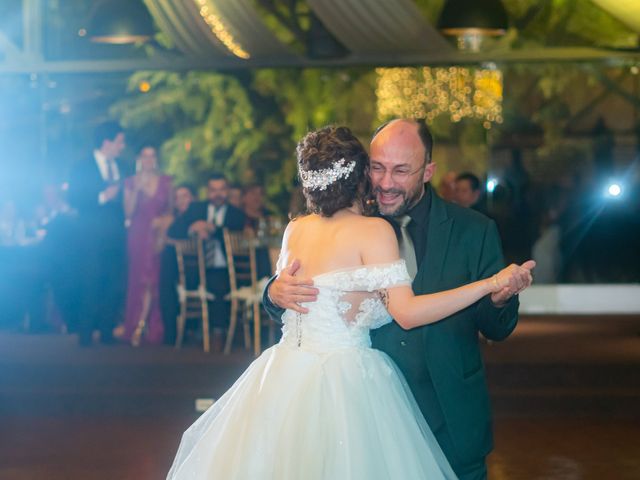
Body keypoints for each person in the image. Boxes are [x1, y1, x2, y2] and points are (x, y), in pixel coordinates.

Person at [167, 126, 534, 479]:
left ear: (427, 172)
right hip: (356, 397)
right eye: (377, 168)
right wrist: (488, 283)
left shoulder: (297, 228)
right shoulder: (373, 229)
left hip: (289, 387)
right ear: (361, 173)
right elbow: (403, 312)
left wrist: (497, 295)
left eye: (401, 170)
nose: (386, 182)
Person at [67, 121, 126, 346]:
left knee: (113, 284)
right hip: (90, 237)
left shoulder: (122, 166)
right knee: (90, 282)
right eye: (120, 141)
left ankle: (107, 331)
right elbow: (74, 198)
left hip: (116, 237)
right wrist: (102, 197)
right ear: (107, 142)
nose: (122, 146)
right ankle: (85, 334)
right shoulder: (82, 167)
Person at [177, 173, 245, 351]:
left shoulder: (236, 214)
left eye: (221, 190)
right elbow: (175, 229)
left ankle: (217, 332)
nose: (217, 194)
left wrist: (212, 229)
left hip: (225, 269)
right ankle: (192, 331)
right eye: (213, 190)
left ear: (227, 191)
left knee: (218, 284)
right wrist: (193, 228)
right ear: (208, 192)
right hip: (195, 268)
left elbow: (235, 235)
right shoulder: (195, 209)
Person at [116, 146, 173, 345]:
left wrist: (163, 225)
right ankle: (136, 325)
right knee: (138, 279)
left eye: (152, 156)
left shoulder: (166, 182)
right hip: (138, 235)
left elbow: (171, 211)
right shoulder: (131, 182)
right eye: (145, 156)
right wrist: (137, 189)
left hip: (157, 235)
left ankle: (150, 326)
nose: (149, 160)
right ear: (140, 158)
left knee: (153, 280)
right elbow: (128, 213)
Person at [159, 183, 196, 345]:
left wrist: (174, 242)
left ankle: (183, 330)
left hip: (194, 266)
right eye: (177, 197)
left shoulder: (196, 217)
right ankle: (171, 331)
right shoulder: (173, 219)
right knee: (166, 282)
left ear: (193, 198)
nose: (180, 200)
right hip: (172, 262)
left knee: (167, 278)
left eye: (185, 196)